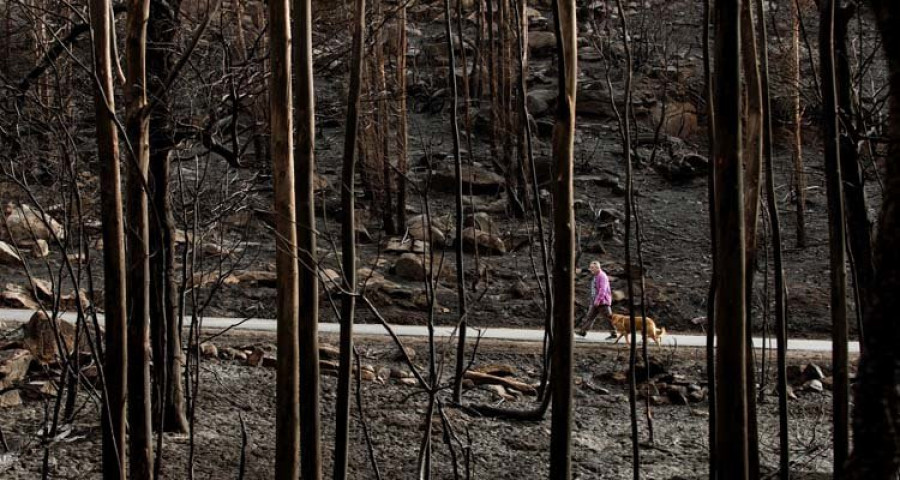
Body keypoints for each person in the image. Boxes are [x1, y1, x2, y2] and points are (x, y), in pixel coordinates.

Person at [576, 261, 615, 338]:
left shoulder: (602, 276)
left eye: (592, 268)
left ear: (598, 268)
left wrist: (598, 300)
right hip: (595, 301)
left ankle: (614, 333)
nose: (591, 269)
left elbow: (603, 290)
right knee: (590, 316)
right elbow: (589, 271)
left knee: (608, 318)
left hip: (602, 302)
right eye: (590, 268)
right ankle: (583, 332)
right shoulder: (596, 275)